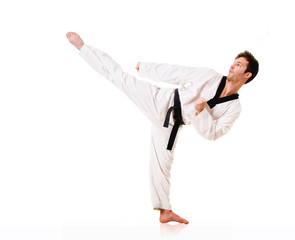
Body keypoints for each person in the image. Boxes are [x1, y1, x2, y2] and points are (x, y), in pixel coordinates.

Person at [66, 32, 259, 224]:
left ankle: (165, 211)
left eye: (239, 65)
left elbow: (214, 134)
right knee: (119, 78)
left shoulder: (234, 108)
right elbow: (180, 73)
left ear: (247, 75)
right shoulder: (210, 76)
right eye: (234, 62)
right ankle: (83, 48)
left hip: (173, 125)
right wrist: (148, 69)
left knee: (163, 164)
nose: (233, 65)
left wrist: (202, 112)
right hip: (160, 101)